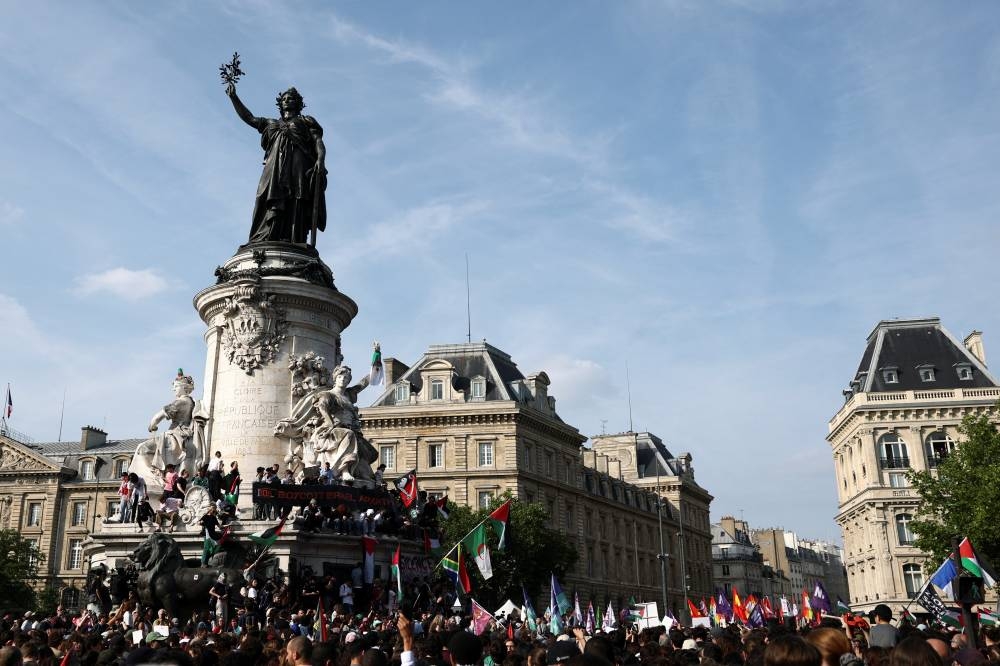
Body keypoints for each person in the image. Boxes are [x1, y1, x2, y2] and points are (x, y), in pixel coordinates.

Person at [225, 82, 327, 244]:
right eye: (284, 98)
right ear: (280, 103)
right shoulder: (270, 123)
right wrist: (234, 97)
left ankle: (294, 238)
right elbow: (249, 118)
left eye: (291, 98)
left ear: (299, 103)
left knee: (296, 198)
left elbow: (318, 143)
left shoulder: (306, 122)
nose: (287, 100)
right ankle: (267, 235)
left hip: (298, 165)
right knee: (265, 196)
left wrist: (320, 160)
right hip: (274, 168)